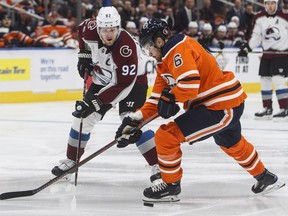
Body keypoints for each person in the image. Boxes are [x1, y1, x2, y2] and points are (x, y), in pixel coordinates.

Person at [115, 18, 285, 202]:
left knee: (166, 136)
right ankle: (265, 178)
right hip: (224, 104)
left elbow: (189, 85)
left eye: (149, 46)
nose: (148, 52)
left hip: (219, 106)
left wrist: (171, 97)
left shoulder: (177, 49)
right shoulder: (164, 61)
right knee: (232, 143)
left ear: (159, 40)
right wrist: (135, 120)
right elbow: (157, 100)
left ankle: (171, 186)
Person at [51, 6, 160, 183]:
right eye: (104, 30)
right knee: (82, 119)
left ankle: (158, 165)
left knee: (132, 121)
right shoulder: (90, 29)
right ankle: (71, 161)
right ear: (98, 28)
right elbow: (81, 29)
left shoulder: (127, 48)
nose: (109, 34)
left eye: (112, 30)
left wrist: (97, 102)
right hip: (103, 76)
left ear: (118, 28)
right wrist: (84, 55)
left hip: (133, 82)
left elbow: (123, 85)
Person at [238, 0, 288, 121]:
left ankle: (285, 109)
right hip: (267, 54)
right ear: (264, 4)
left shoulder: (285, 17)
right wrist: (248, 48)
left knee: (278, 80)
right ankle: (267, 109)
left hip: (282, 54)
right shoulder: (259, 17)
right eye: (268, 3)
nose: (270, 6)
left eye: (272, 3)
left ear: (276, 4)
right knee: (264, 80)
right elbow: (256, 36)